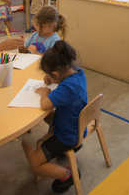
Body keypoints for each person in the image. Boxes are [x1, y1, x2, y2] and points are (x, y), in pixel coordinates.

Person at [21, 41, 87, 194]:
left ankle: (67, 175)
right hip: (76, 126)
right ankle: (58, 151)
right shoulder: (77, 74)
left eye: (50, 75)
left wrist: (44, 93)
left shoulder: (67, 88)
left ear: (56, 74)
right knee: (47, 119)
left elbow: (45, 105)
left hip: (67, 135)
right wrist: (52, 80)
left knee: (35, 164)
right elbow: (62, 85)